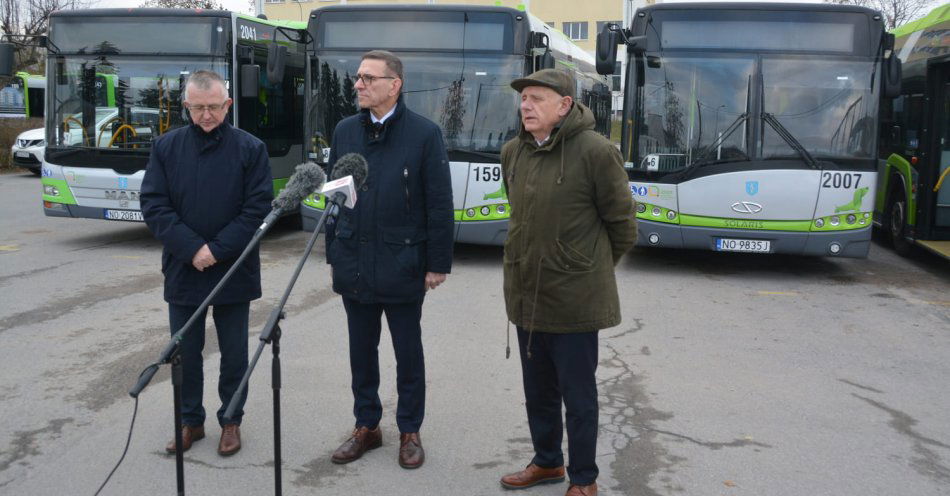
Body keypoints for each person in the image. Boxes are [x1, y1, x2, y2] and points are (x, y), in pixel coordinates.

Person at [498, 69, 637, 496]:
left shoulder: (595, 151)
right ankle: (547, 462)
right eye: (523, 99)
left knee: (578, 398)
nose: (526, 105)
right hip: (526, 295)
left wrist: (587, 268)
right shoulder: (512, 152)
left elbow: (623, 225)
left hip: (576, 300)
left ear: (564, 105)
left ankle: (584, 479)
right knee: (537, 390)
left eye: (537, 98)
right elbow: (520, 214)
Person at [324, 50, 453, 470]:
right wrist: (333, 252)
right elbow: (334, 197)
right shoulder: (345, 130)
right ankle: (368, 426)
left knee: (407, 354)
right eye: (357, 77)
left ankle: (410, 430)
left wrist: (437, 263)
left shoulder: (424, 134)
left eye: (367, 78)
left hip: (403, 263)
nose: (358, 84)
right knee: (361, 353)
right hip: (354, 261)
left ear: (394, 84)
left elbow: (438, 203)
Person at [141, 70, 273, 457]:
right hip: (184, 267)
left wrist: (215, 250)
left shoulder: (251, 149)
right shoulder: (166, 148)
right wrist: (192, 249)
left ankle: (230, 421)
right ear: (186, 106)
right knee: (185, 352)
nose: (206, 116)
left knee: (234, 353)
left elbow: (256, 211)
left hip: (234, 268)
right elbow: (154, 204)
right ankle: (190, 422)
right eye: (197, 108)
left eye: (214, 107)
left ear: (227, 104)